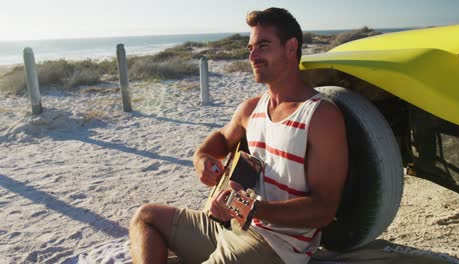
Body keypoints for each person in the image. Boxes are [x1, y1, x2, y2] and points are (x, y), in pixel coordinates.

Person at [129, 7, 348, 264]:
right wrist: (202, 158)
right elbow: (221, 139)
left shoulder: (320, 116)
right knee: (146, 217)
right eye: (250, 48)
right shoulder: (252, 108)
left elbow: (323, 209)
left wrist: (253, 209)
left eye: (263, 46)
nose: (252, 55)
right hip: (231, 226)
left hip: (275, 246)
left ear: (291, 48)